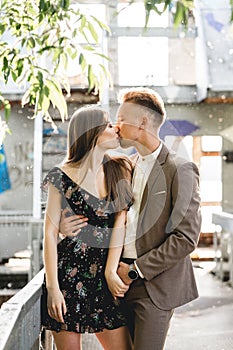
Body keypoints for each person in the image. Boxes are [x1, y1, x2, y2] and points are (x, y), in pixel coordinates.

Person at [59, 88, 202, 350]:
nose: (116, 125)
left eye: (122, 118)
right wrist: (64, 226)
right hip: (112, 283)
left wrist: (136, 270)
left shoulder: (180, 169)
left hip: (153, 285)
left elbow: (186, 238)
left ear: (143, 122)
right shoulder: (124, 165)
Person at [41, 105, 134, 350]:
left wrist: (110, 271)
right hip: (68, 277)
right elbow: (49, 234)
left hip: (104, 278)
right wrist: (53, 289)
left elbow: (120, 222)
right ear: (92, 132)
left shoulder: (119, 168)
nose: (116, 128)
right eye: (108, 124)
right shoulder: (60, 176)